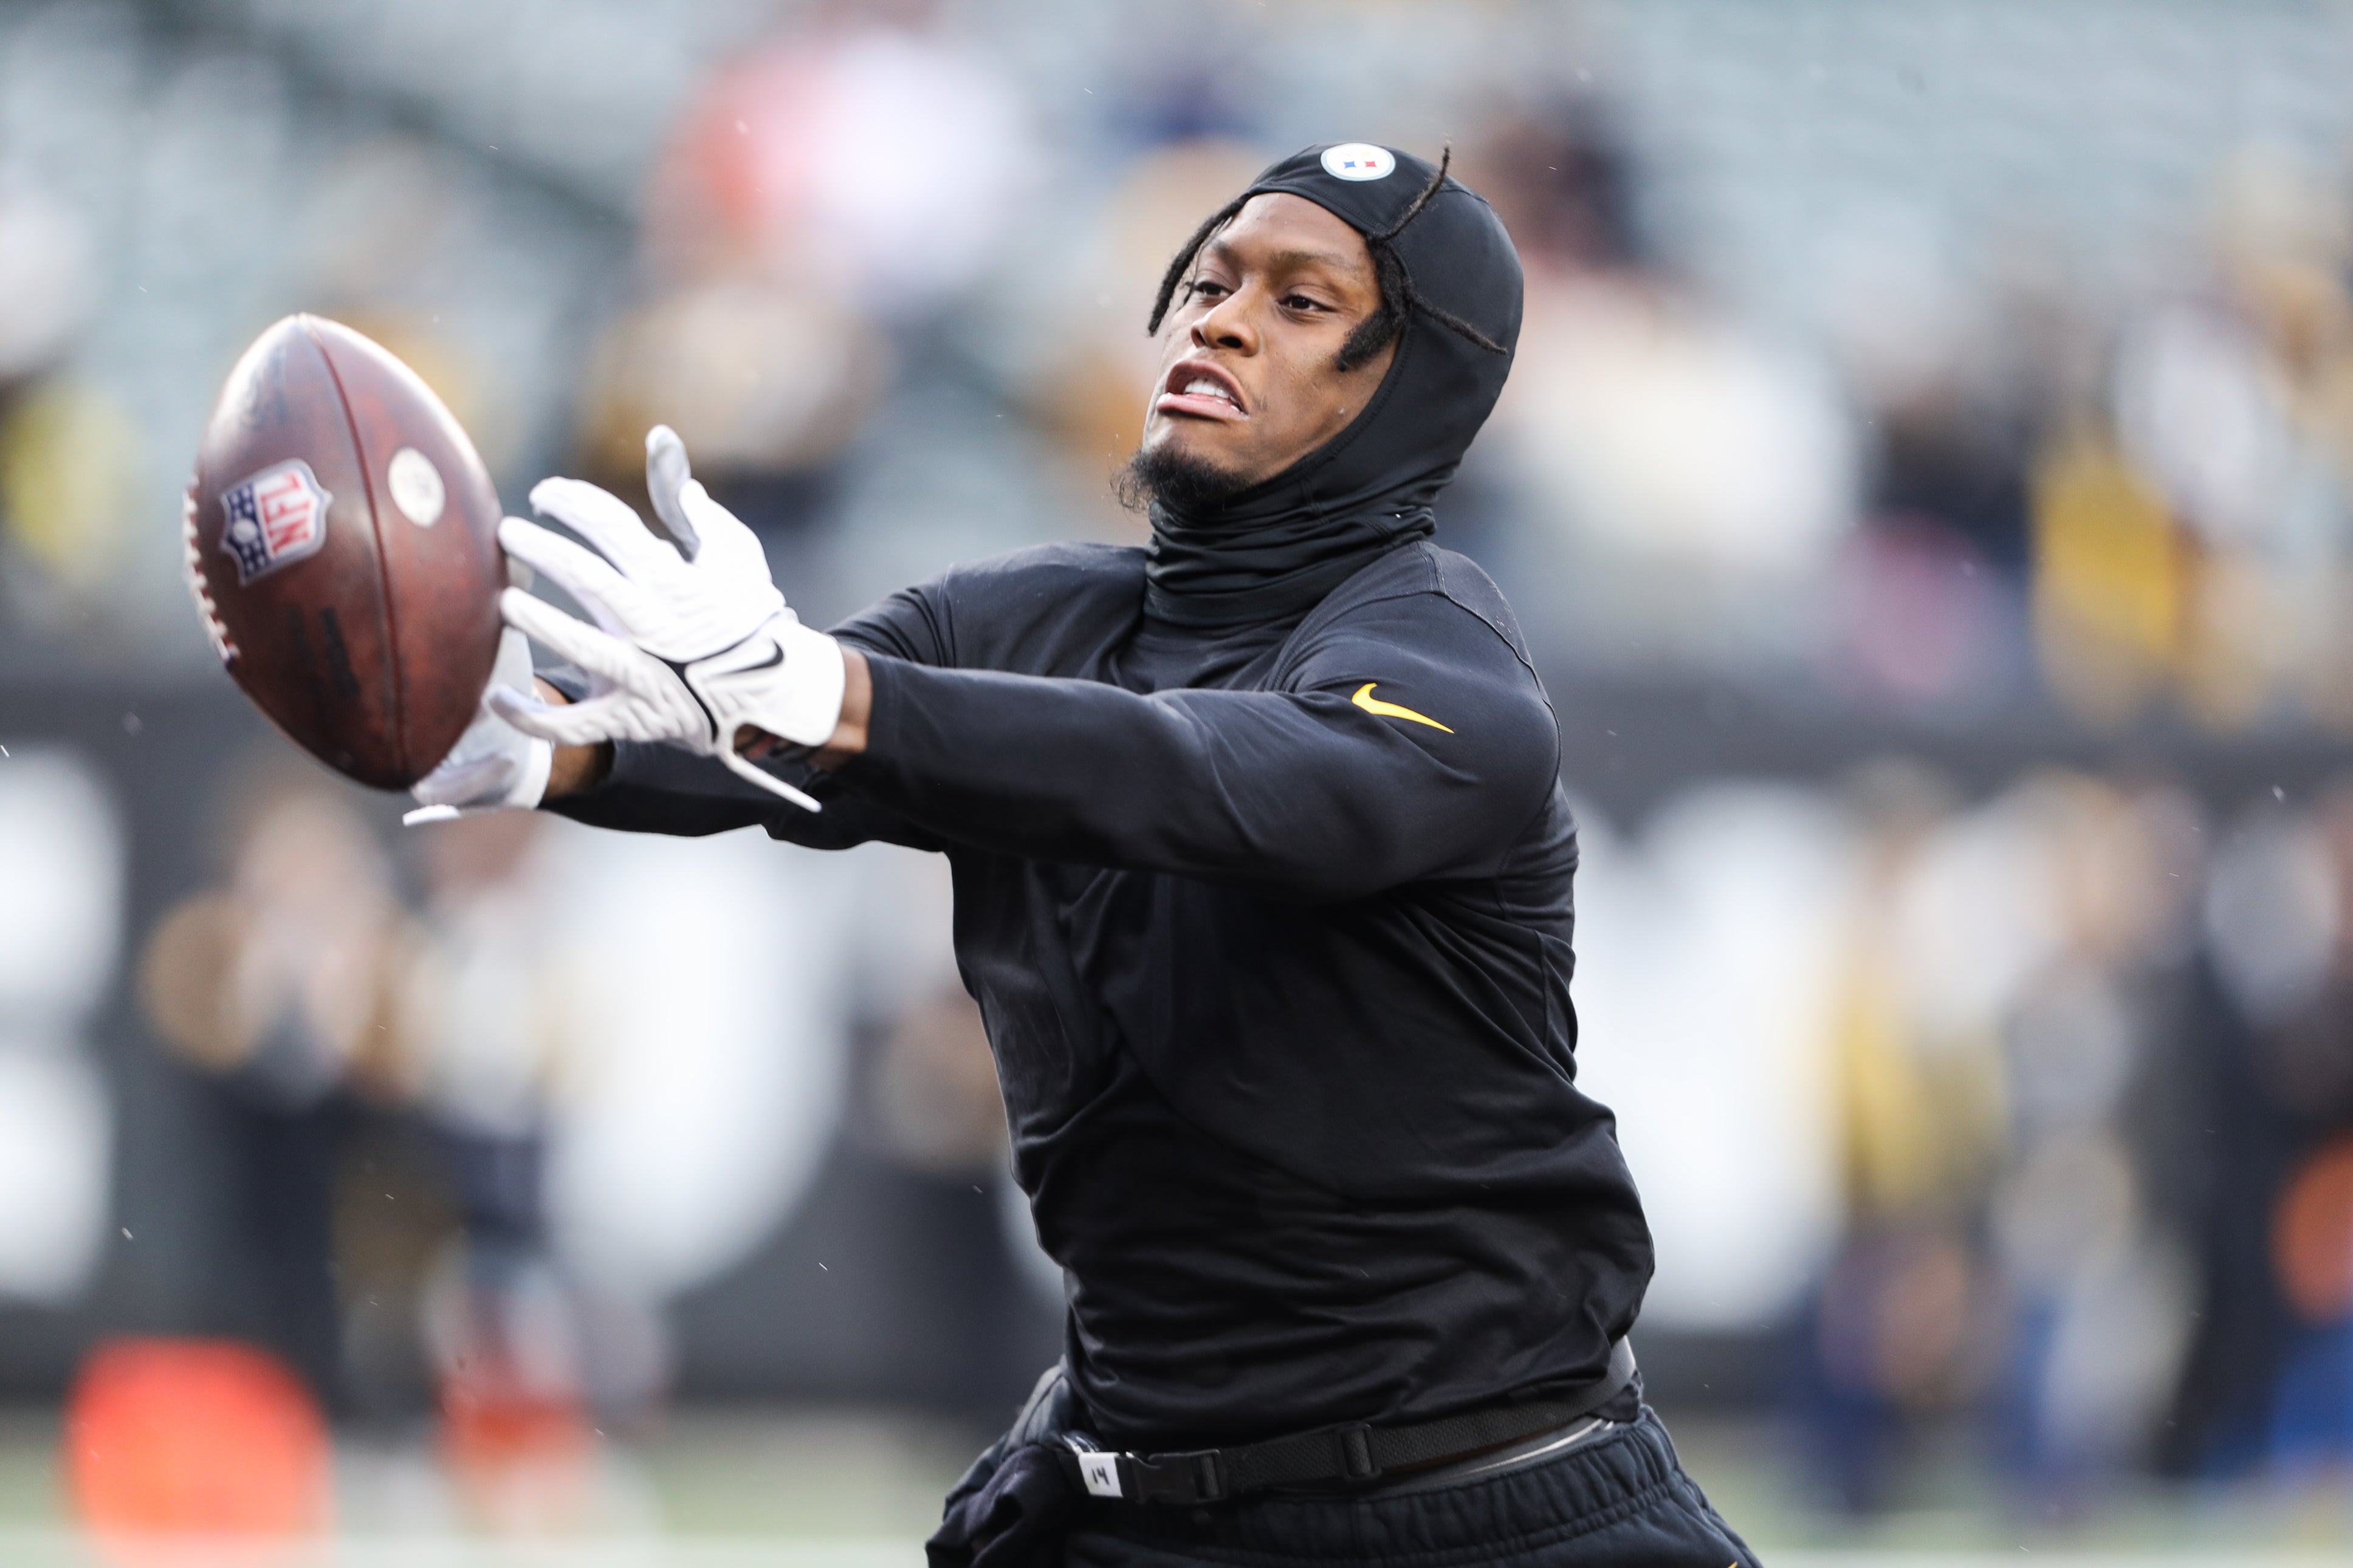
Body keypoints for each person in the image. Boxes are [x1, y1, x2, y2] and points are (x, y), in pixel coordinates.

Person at [410, 143, 1759, 1568]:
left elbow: (1194, 779)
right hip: (1142, 1497)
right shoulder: (1012, 620)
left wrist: (822, 698)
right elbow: (754, 740)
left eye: (1301, 303)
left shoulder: (1448, 668)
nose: (1218, 320)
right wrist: (541, 747)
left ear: (1411, 382)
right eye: (1210, 280)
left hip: (1488, 1504)